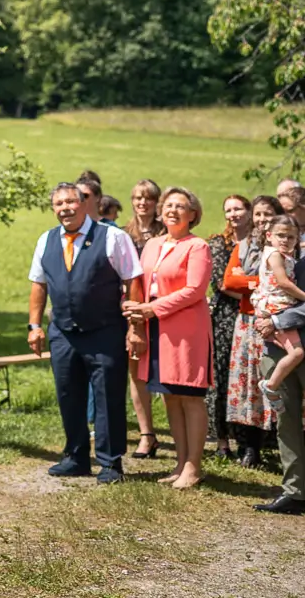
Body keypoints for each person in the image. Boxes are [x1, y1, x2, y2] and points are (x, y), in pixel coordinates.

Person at [26, 181, 140, 484]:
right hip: (62, 332)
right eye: (59, 204)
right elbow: (39, 284)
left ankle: (110, 462)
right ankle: (75, 457)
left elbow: (133, 280)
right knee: (68, 394)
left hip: (104, 330)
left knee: (108, 397)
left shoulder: (113, 237)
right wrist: (34, 326)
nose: (65, 208)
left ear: (84, 204)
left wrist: (134, 327)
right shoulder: (46, 240)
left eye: (71, 202)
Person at [124, 186, 213, 490]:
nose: (172, 210)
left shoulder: (197, 246)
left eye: (180, 206)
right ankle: (179, 463)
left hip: (186, 330)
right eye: (168, 205)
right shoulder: (151, 245)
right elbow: (140, 282)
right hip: (156, 329)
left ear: (193, 215)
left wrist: (152, 308)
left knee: (190, 395)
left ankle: (194, 465)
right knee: (170, 397)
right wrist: (136, 309)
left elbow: (195, 291)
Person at [227, 196, 283, 467]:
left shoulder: (285, 247)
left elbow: (280, 282)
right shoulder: (244, 245)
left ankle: (279, 447)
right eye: (258, 214)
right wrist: (259, 282)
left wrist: (247, 280)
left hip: (274, 323)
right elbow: (228, 281)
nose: (262, 219)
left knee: (271, 382)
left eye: (268, 214)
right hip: (246, 322)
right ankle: (250, 448)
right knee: (247, 385)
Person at [254, 239, 305, 514]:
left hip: (289, 339)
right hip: (278, 349)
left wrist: (275, 321)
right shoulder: (281, 257)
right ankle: (295, 491)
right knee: (287, 421)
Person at [124, 177, 167, 457]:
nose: (143, 203)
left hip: (162, 307)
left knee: (166, 373)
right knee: (136, 372)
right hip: (131, 307)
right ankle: (147, 434)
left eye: (149, 198)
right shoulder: (123, 233)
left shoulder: (168, 231)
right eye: (138, 197)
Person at [207, 194, 253, 458]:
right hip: (224, 317)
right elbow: (222, 284)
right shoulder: (218, 243)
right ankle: (222, 441)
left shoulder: (260, 242)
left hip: (252, 316)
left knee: (248, 378)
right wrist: (256, 292)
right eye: (228, 210)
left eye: (237, 209)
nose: (233, 214)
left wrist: (247, 286)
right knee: (221, 376)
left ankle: (248, 441)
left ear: (248, 211)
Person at [255, 215, 305, 397]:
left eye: (290, 237)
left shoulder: (282, 254)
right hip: (277, 308)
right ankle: (270, 386)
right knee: (297, 353)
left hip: (278, 310)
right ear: (269, 235)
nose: (285, 240)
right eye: (281, 235)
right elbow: (283, 283)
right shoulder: (274, 255)